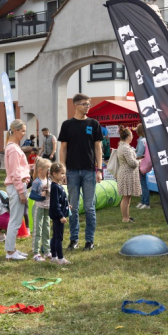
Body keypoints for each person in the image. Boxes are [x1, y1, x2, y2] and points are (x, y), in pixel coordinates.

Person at [58, 93, 103, 251]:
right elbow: (63, 149)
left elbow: (98, 147)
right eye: (84, 104)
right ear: (75, 105)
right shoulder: (67, 125)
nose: (87, 106)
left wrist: (100, 169)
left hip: (90, 171)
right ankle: (74, 240)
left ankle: (89, 241)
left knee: (90, 208)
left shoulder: (94, 123)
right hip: (72, 172)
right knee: (73, 207)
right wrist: (62, 171)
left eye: (88, 104)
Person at [4, 119, 31, 260]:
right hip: (16, 187)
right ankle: (9, 252)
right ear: (15, 130)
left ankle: (12, 249)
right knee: (15, 220)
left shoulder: (12, 147)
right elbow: (15, 173)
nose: (24, 134)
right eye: (22, 131)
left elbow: (17, 170)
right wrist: (21, 192)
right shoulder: (13, 148)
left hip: (16, 185)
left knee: (15, 219)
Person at [117, 126, 141, 223]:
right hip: (126, 174)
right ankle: (125, 218)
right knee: (126, 196)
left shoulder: (122, 146)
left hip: (126, 174)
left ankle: (127, 216)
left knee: (127, 196)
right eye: (131, 135)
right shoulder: (125, 148)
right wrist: (139, 161)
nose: (132, 137)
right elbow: (132, 163)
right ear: (128, 136)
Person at [29, 158, 52, 261]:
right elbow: (32, 196)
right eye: (48, 169)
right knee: (37, 229)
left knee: (46, 229)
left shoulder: (49, 180)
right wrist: (41, 196)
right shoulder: (36, 182)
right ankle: (36, 252)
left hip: (47, 208)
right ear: (40, 170)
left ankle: (47, 251)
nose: (49, 171)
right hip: (39, 208)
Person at [49, 162, 71, 265]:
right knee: (59, 237)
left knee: (55, 236)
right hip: (58, 216)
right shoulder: (55, 187)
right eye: (62, 173)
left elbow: (61, 200)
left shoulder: (58, 185)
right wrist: (61, 216)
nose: (64, 175)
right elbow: (55, 204)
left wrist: (67, 205)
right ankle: (60, 258)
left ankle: (54, 256)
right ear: (54, 174)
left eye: (64, 173)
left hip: (57, 215)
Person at [135, 123, 150, 210]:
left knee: (143, 183)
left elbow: (139, 153)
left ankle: (146, 202)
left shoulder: (141, 141)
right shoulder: (146, 139)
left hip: (141, 163)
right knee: (143, 183)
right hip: (145, 164)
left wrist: (133, 154)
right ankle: (143, 201)